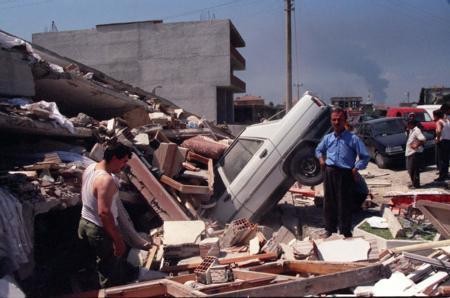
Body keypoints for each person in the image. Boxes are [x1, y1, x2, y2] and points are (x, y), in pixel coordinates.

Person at [78, 143, 138, 288]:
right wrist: (118, 240)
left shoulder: (90, 168)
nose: (123, 166)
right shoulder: (106, 180)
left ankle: (90, 288)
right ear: (114, 158)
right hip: (99, 229)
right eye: (123, 161)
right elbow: (104, 213)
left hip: (84, 223)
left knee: (92, 264)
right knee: (109, 272)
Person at [315, 107, 370, 238]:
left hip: (345, 174)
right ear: (331, 121)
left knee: (344, 203)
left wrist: (356, 168)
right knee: (329, 202)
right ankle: (330, 229)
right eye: (334, 119)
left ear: (345, 120)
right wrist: (321, 159)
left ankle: (345, 231)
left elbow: (365, 156)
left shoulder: (353, 139)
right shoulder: (328, 138)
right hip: (329, 172)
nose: (336, 122)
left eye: (339, 119)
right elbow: (318, 150)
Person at [405, 119, 426, 188]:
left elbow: (423, 139)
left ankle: (416, 185)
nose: (407, 126)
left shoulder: (417, 130)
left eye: (408, 124)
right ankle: (413, 183)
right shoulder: (411, 130)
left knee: (414, 170)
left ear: (411, 124)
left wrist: (416, 145)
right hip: (410, 152)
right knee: (410, 169)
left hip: (414, 152)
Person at [433, 109, 450, 182]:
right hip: (448, 141)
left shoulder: (439, 122)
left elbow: (439, 131)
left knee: (441, 159)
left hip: (442, 141)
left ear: (436, 115)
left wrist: (438, 139)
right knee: (446, 159)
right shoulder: (447, 121)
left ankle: (442, 176)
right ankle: (445, 174)